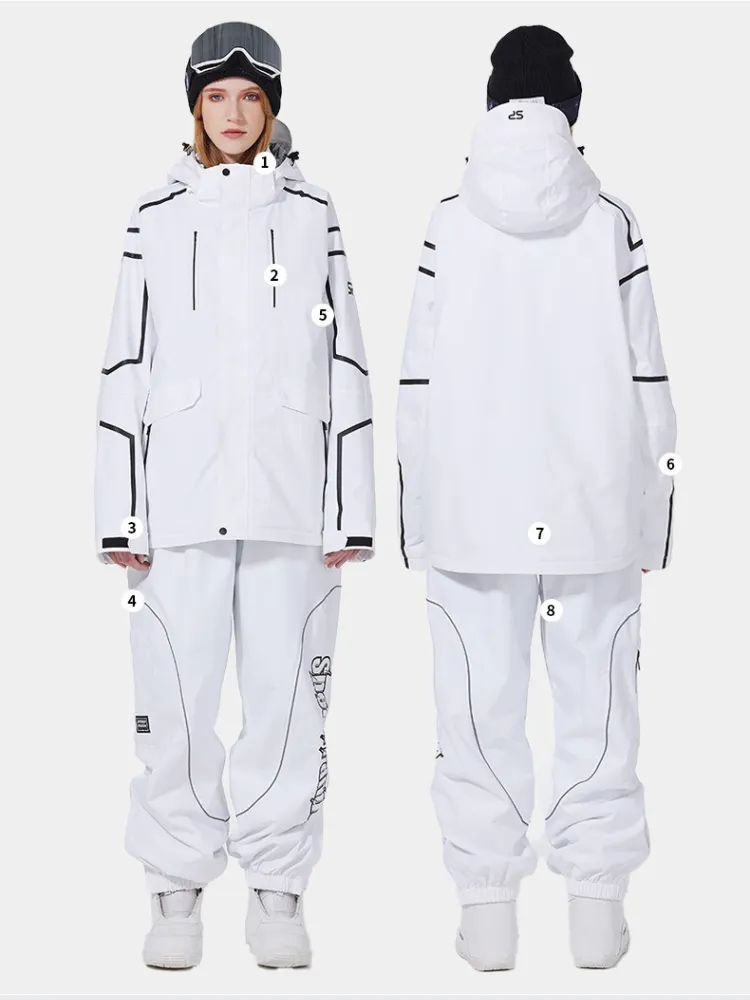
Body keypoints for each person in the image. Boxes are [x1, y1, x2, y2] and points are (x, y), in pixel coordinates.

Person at [94, 21, 374, 970]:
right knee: (174, 697)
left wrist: (353, 508)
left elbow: (345, 358)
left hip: (294, 499)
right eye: (216, 96)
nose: (233, 113)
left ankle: (278, 886)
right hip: (177, 498)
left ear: (272, 106)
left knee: (288, 702)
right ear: (194, 106)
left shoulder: (314, 211)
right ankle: (174, 884)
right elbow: (126, 359)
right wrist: (120, 509)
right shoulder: (155, 212)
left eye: (251, 97)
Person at [396, 25, 676, 971]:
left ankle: (487, 918)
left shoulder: (449, 219)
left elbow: (417, 381)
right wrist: (653, 523)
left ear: (492, 105)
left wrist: (419, 522)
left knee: (477, 710)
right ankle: (596, 914)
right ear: (571, 107)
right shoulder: (611, 219)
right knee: (600, 705)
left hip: (471, 509)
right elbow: (648, 380)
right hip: (594, 507)